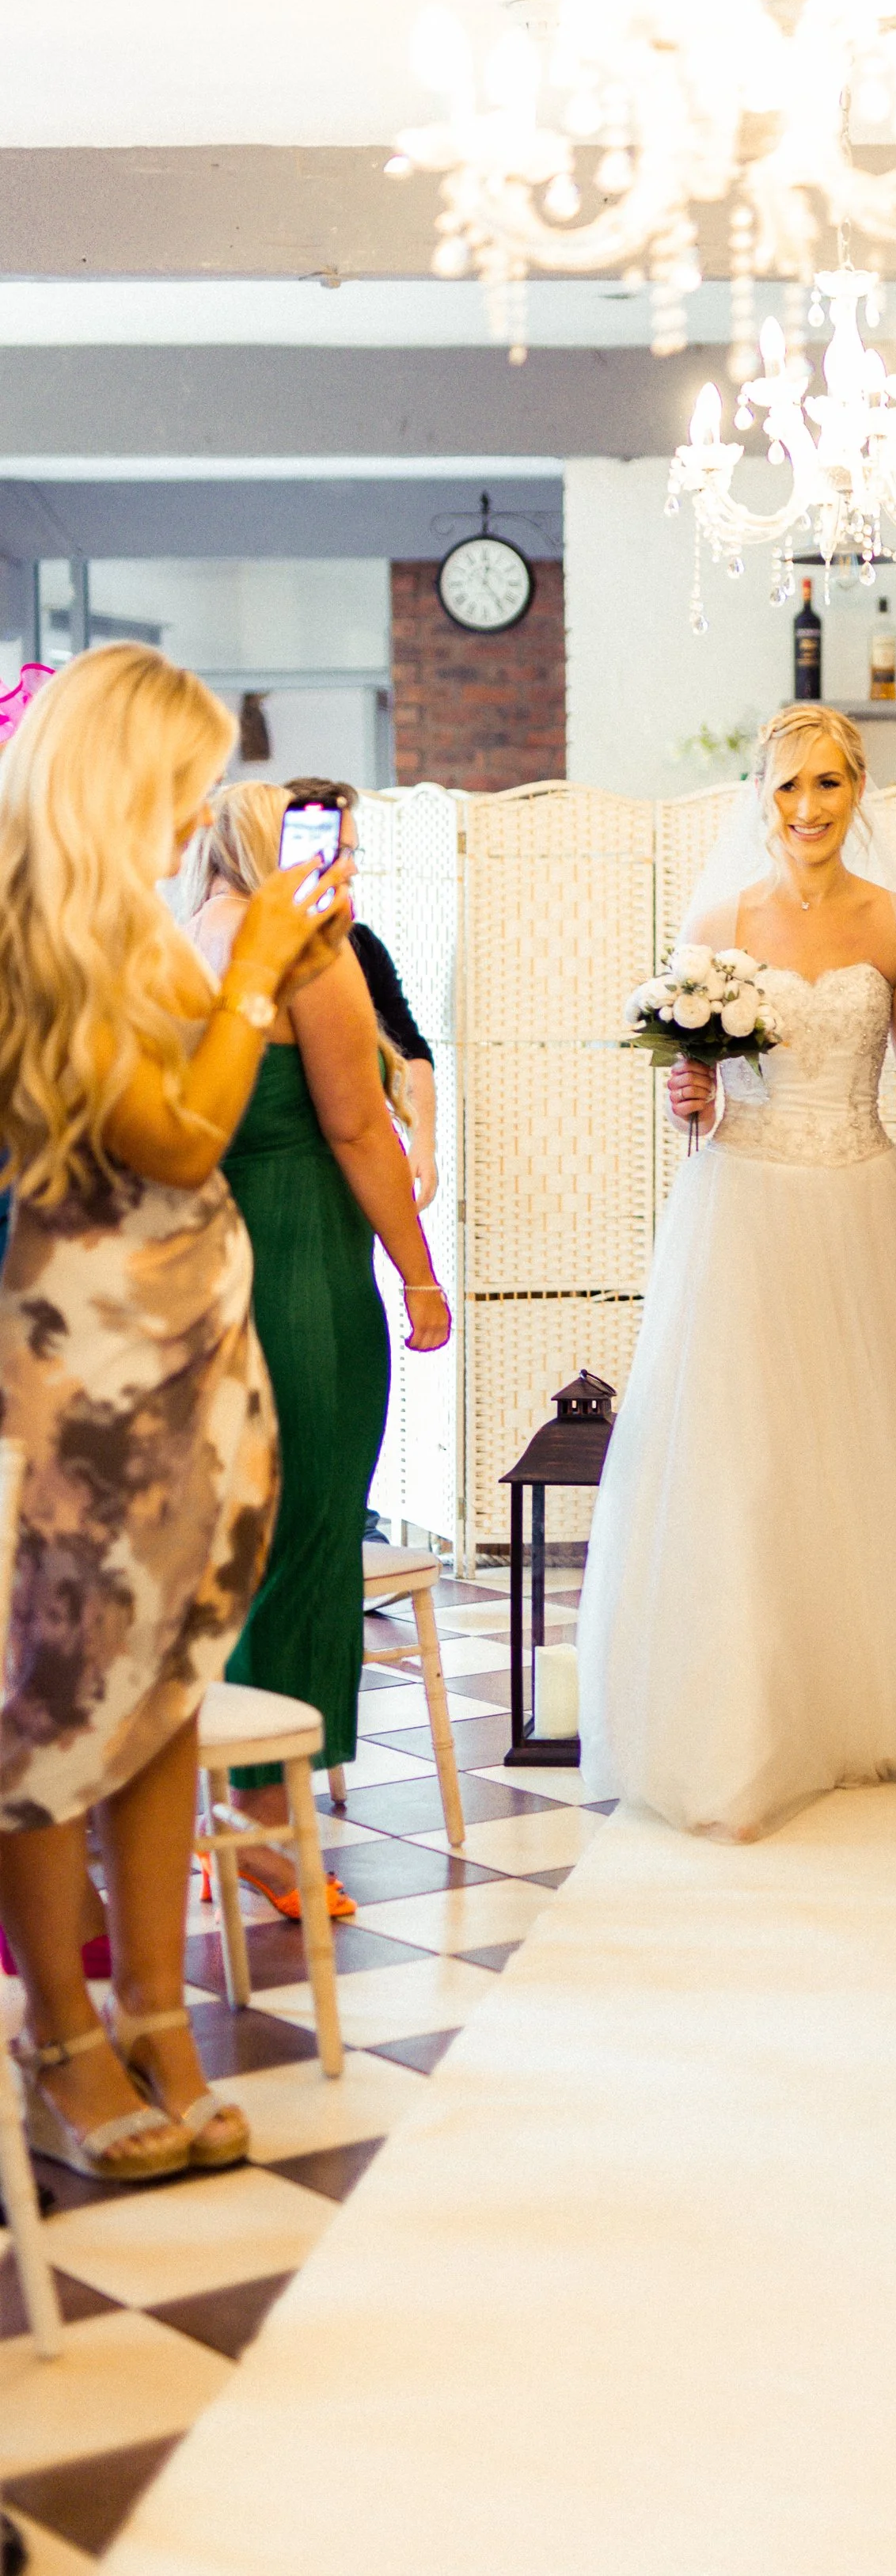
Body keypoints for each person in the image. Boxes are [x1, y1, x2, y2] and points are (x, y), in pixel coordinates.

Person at [0, 646, 351, 2178]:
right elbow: (185, 1131)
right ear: (117, 780)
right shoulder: (33, 942)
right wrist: (261, 965)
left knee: (164, 1692)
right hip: (84, 1384)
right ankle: (64, 2038)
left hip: (187, 1367)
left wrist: (279, 974)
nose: (199, 812)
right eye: (184, 783)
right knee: (59, 1708)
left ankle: (158, 2016)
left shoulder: (136, 936)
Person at [577, 706, 896, 1840]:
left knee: (882, 1455)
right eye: (788, 788)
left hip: (869, 1196)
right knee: (754, 1466)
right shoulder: (718, 917)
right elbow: (696, 1093)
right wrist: (692, 1099)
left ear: (860, 786)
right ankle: (754, 1724)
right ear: (760, 793)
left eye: (828, 784)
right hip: (748, 1208)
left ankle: (885, 1702)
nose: (809, 809)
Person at [187, 784, 450, 1916]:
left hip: (197, 1274)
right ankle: (262, 1829)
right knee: (304, 1541)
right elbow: (355, 1125)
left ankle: (214, 1805)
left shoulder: (175, 935)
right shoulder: (309, 953)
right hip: (299, 1270)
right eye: (327, 843)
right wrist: (420, 1270)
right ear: (266, 845)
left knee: (223, 1553)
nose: (343, 860)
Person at [282, 776, 441, 1212]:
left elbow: (410, 1050)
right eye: (339, 853)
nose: (351, 868)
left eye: (354, 852)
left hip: (355, 1176)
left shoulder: (362, 946)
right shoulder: (252, 943)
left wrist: (422, 1142)